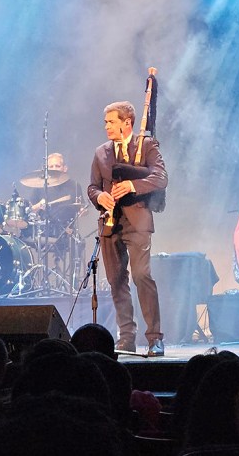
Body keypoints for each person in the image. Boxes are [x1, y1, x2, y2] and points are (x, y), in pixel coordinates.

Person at [87, 101, 168, 357]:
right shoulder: (101, 152)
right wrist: (100, 197)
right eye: (106, 122)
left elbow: (161, 177)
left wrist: (132, 186)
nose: (107, 127)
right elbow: (92, 187)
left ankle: (154, 338)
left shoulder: (146, 145)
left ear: (127, 123)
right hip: (110, 223)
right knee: (116, 281)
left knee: (141, 275)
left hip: (138, 221)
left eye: (111, 122)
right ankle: (127, 337)